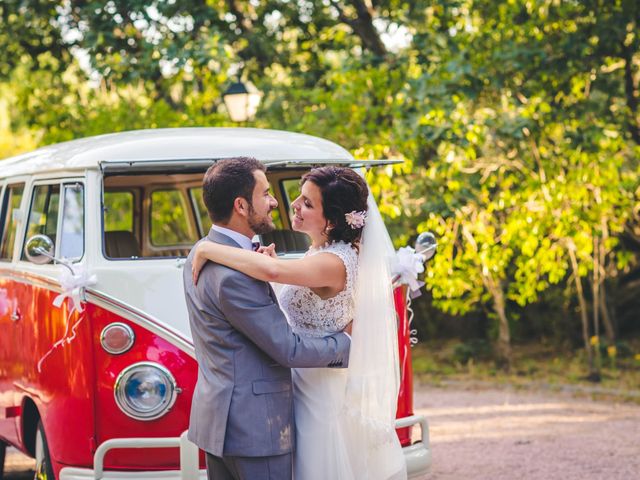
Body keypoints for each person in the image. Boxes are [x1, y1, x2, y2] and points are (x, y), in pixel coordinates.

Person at [192, 165, 407, 480]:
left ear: (331, 221)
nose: (293, 204)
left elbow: (274, 274)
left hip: (319, 389)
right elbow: (284, 281)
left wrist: (208, 247)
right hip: (298, 386)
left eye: (307, 203)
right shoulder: (316, 253)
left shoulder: (335, 261)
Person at [183, 157, 352, 480]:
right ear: (241, 206)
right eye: (265, 194)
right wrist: (347, 342)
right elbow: (287, 349)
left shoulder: (202, 252)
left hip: (222, 421)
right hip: (256, 428)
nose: (276, 202)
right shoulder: (232, 273)